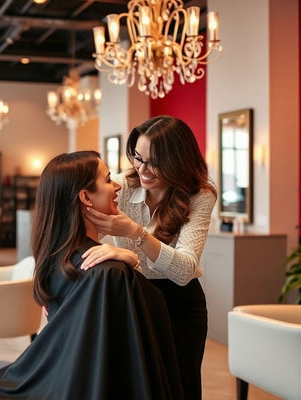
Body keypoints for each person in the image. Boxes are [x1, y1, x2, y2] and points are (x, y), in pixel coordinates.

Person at [0, 151, 184, 400]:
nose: (116, 186)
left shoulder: (55, 256)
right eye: (106, 180)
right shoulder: (108, 273)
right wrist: (129, 265)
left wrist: (131, 261)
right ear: (85, 197)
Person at [82, 116, 217, 400]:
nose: (143, 169)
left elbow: (184, 271)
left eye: (154, 162)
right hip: (134, 298)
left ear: (178, 160)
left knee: (181, 387)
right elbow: (77, 226)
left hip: (181, 305)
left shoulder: (200, 195)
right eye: (138, 157)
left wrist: (135, 234)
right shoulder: (120, 185)